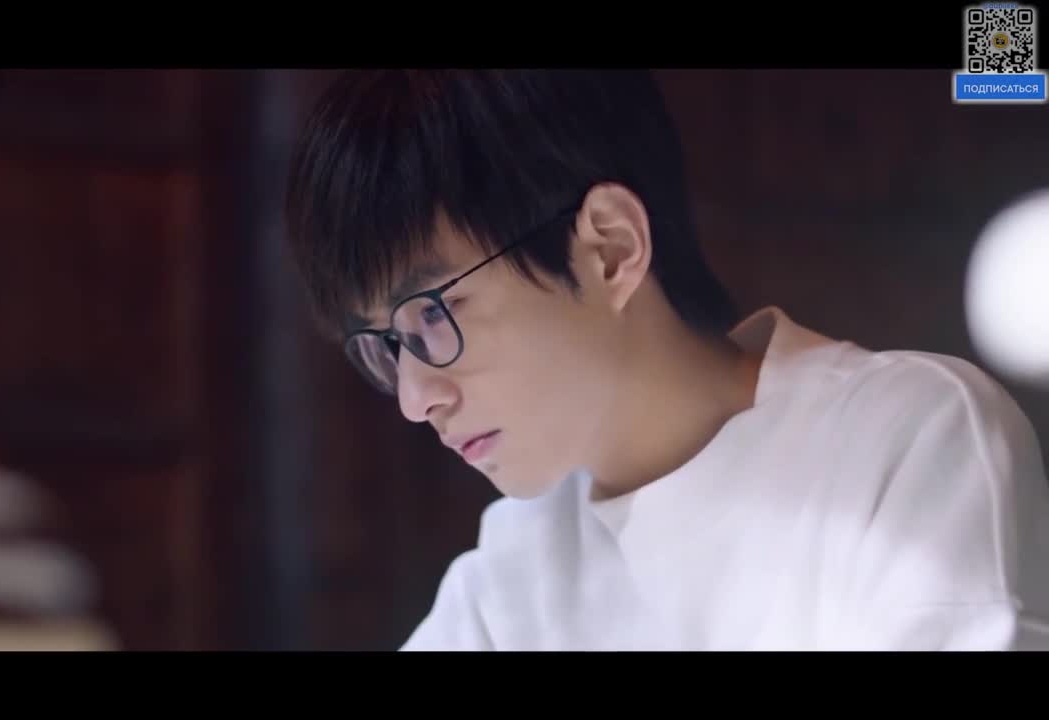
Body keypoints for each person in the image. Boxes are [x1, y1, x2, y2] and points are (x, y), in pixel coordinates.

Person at [281, 69, 1049, 650]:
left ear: (610, 249)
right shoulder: (508, 578)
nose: (414, 398)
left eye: (431, 314)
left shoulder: (910, 442)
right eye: (386, 346)